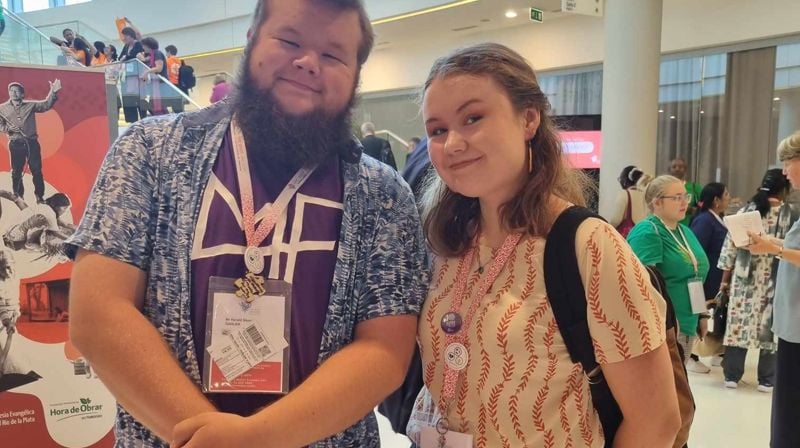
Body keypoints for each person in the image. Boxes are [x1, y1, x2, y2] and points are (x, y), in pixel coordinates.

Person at [66, 1, 429, 447]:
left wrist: (255, 439)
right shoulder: (149, 152)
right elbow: (98, 314)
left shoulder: (383, 194)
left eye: (334, 55)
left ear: (356, 73)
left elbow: (384, 350)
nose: (308, 63)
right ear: (252, 39)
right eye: (290, 41)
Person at [416, 43, 679, 447]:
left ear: (529, 119)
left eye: (473, 118)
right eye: (437, 130)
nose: (452, 143)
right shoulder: (445, 245)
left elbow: (656, 421)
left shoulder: (587, 244)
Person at [716, 168, 796, 391]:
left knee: (738, 326)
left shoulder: (746, 211)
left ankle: (732, 375)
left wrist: (724, 281)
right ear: (784, 189)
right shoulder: (791, 215)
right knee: (769, 328)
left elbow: (729, 250)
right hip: (777, 280)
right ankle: (767, 379)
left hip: (744, 281)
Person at [744, 130, 800, 448]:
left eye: (788, 162)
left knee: (791, 409)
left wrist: (774, 249)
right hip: (792, 322)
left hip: (798, 325)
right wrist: (770, 245)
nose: (784, 172)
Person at [627, 175, 711, 373]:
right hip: (663, 327)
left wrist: (701, 314)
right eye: (677, 197)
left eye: (685, 196)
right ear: (657, 202)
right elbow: (644, 285)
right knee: (663, 389)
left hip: (687, 321)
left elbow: (695, 276)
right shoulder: (648, 231)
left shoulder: (684, 231)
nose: (684, 202)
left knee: (679, 387)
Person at [0, 80, 61, 203]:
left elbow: (45, 105)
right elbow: (0, 125)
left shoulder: (30, 105)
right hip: (15, 144)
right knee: (16, 172)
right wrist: (8, 129)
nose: (13, 93)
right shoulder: (2, 109)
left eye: (17, 91)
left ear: (22, 94)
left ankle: (39, 196)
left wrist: (53, 92)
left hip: (32, 143)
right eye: (11, 91)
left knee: (36, 170)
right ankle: (18, 196)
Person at [0, 192, 73, 253]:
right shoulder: (50, 214)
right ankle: (30, 244)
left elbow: (64, 224)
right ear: (57, 206)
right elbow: (56, 233)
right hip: (15, 242)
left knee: (40, 226)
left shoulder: (43, 206)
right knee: (43, 233)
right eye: (64, 208)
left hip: (7, 234)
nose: (65, 211)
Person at [608, 165, 648, 236]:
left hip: (629, 236)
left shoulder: (625, 194)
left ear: (624, 180)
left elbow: (616, 220)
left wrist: (607, 229)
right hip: (644, 233)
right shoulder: (645, 195)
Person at [668, 157, 702, 226]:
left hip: (688, 226)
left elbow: (703, 205)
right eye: (674, 167)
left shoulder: (694, 188)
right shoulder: (663, 187)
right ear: (669, 170)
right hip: (667, 226)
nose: (677, 169)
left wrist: (694, 209)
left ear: (685, 170)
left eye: (680, 167)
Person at [139, 37, 169, 116]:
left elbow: (159, 68)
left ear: (148, 46)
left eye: (144, 46)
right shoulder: (152, 55)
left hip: (160, 83)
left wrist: (147, 72)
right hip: (155, 84)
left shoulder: (157, 53)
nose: (143, 48)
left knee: (160, 105)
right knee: (156, 105)